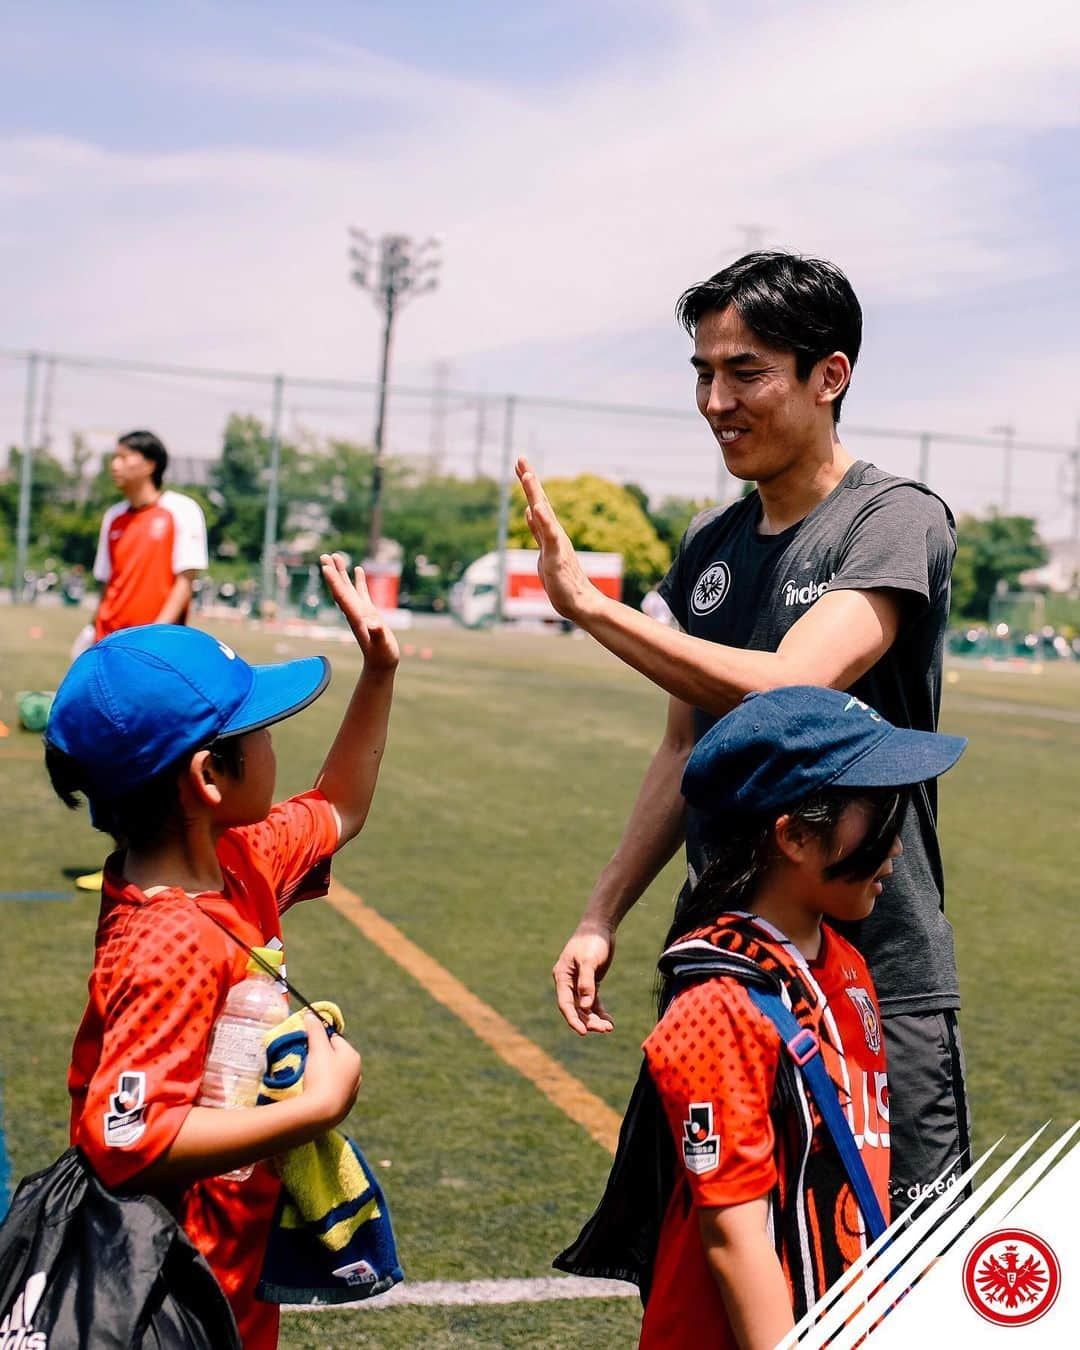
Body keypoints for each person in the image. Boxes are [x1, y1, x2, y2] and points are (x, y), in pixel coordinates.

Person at [516, 251, 966, 1215]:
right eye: (702, 373)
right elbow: (685, 748)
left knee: (901, 1269)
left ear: (829, 375)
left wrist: (593, 610)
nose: (717, 399)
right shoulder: (710, 548)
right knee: (709, 1258)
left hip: (876, 967)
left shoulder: (892, 519)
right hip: (726, 964)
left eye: (747, 370)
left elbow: (790, 689)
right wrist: (602, 914)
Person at [43, 554, 398, 1349]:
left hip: (231, 1259)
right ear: (208, 776)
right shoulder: (168, 938)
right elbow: (127, 1139)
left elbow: (338, 804)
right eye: (259, 731)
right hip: (165, 1287)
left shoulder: (238, 858)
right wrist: (318, 1107)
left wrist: (379, 672)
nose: (274, 743)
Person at [557, 687, 966, 1349]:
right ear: (796, 835)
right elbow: (735, 1238)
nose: (898, 843)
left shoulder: (849, 968)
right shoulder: (717, 1008)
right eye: (879, 810)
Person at [92, 429, 209, 641]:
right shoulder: (113, 516)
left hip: (154, 643)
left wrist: (154, 636)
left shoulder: (183, 509)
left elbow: (185, 582)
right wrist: (93, 628)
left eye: (124, 457)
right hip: (108, 638)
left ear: (150, 464)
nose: (114, 465)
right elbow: (107, 582)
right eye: (114, 458)